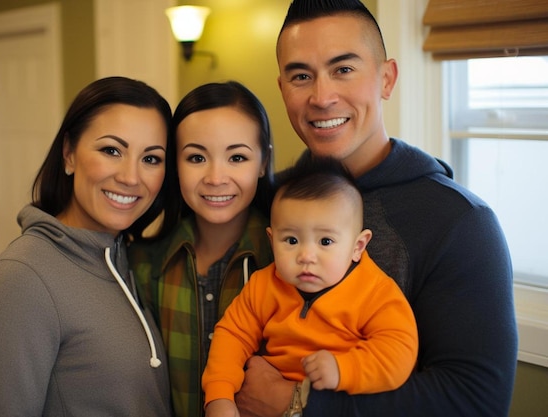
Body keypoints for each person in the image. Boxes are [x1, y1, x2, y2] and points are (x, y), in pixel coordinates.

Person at [235, 1, 518, 416]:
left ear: (387, 79)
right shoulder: (267, 200)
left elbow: (476, 400)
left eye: (343, 69)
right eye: (301, 76)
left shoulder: (460, 222)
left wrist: (297, 405)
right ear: (283, 90)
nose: (322, 96)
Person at [0, 76, 174, 417]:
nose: (131, 177)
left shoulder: (127, 257)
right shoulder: (19, 280)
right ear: (69, 154)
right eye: (111, 150)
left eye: (151, 159)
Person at [202, 156, 418, 417]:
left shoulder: (375, 292)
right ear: (272, 241)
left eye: (325, 242)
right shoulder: (263, 286)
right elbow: (232, 336)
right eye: (291, 240)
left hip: (336, 402)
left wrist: (343, 369)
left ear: (357, 247)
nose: (306, 255)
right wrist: (219, 396)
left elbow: (399, 349)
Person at [130, 81, 275, 417]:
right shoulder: (142, 265)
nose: (215, 177)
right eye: (196, 157)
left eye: (237, 157)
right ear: (174, 165)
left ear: (264, 162)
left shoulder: (290, 263)